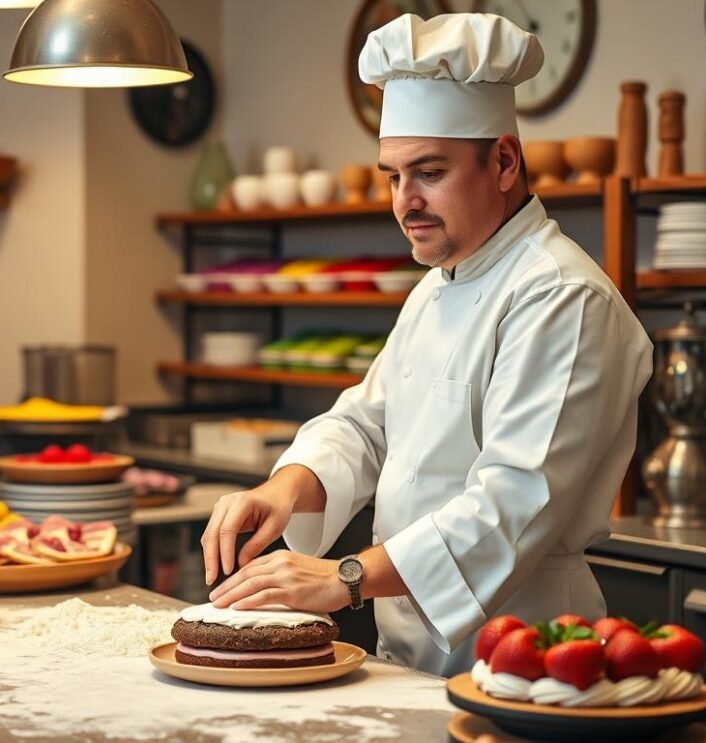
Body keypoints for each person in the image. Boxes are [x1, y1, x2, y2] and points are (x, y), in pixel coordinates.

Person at [199, 12, 653, 676]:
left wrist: (344, 576)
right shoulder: (437, 285)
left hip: (527, 661)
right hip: (410, 658)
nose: (404, 201)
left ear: (503, 161)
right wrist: (285, 488)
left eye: (428, 173)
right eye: (392, 176)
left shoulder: (561, 296)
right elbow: (367, 424)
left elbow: (512, 505)